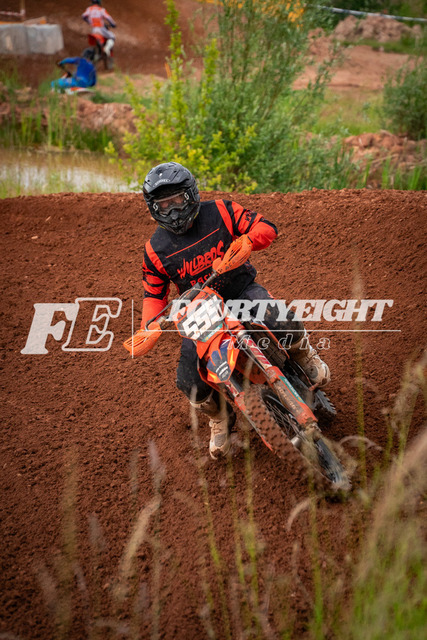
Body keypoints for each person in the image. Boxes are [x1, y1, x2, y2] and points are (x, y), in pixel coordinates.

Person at [137, 162, 330, 459]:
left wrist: (248, 241)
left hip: (239, 290)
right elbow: (153, 294)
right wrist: (148, 327)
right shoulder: (155, 249)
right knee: (190, 381)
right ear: (153, 208)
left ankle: (304, 355)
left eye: (177, 200)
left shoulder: (221, 211)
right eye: (164, 204)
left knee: (278, 318)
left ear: (191, 195)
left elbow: (267, 227)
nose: (172, 210)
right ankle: (219, 417)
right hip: (200, 314)